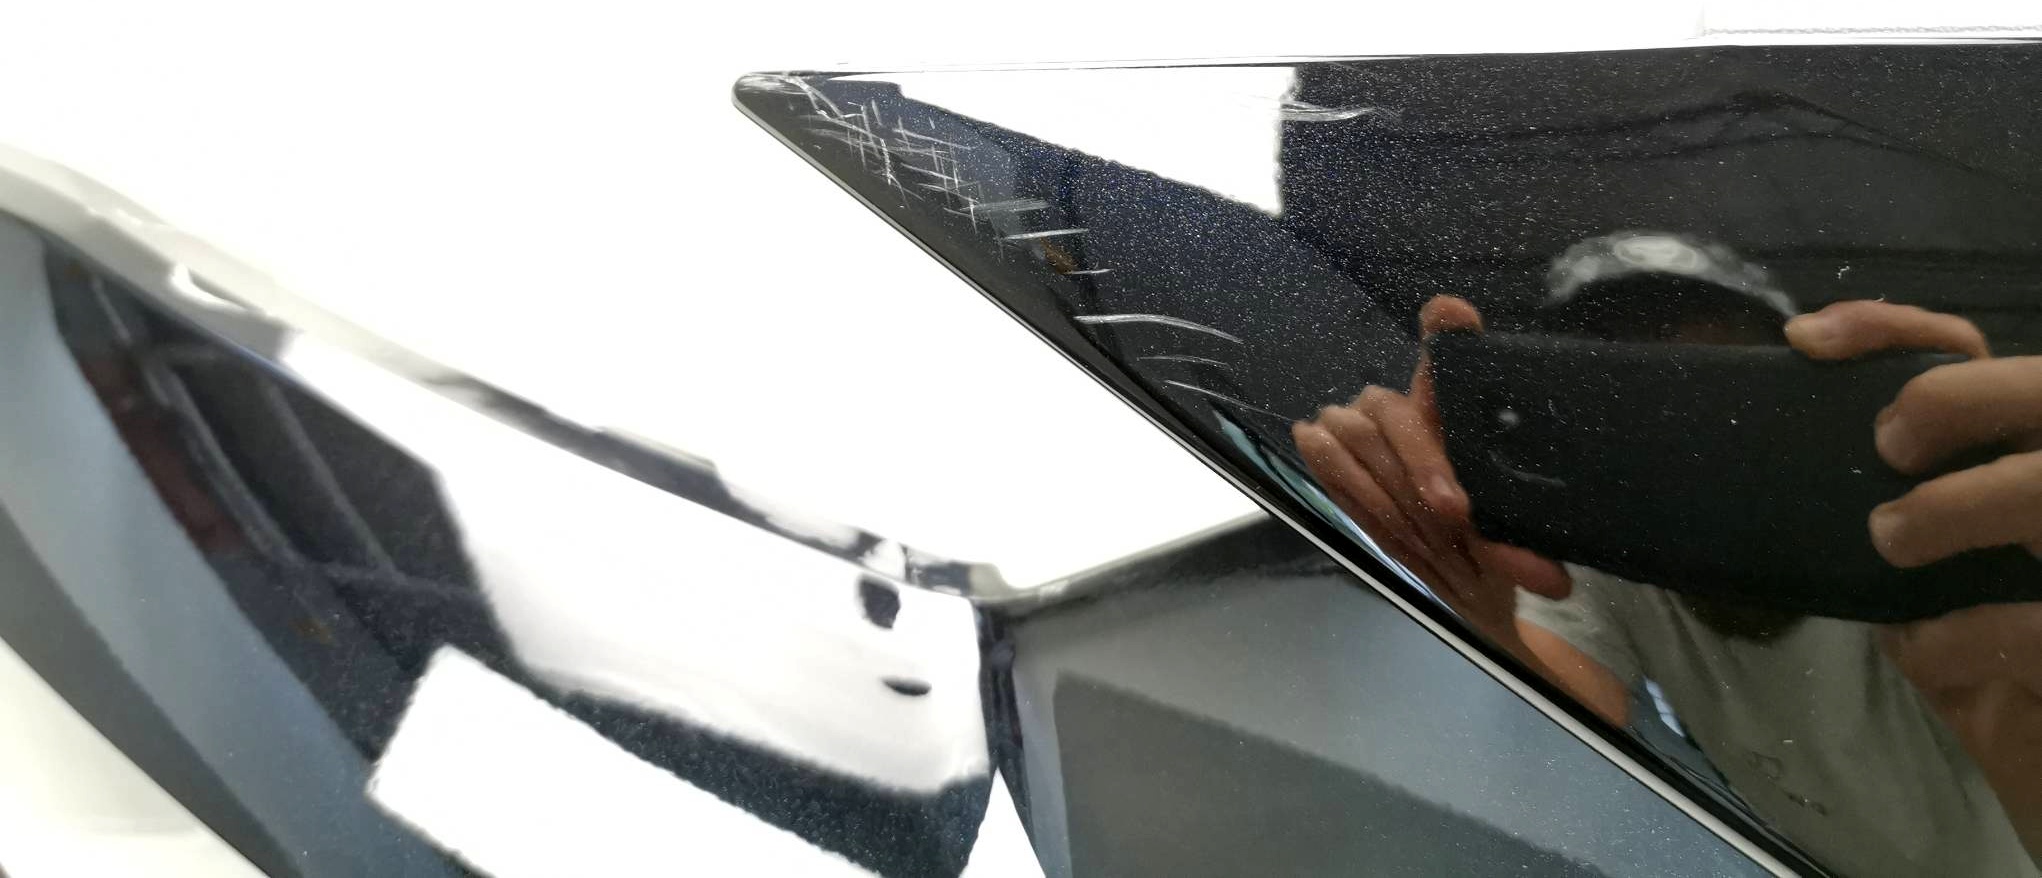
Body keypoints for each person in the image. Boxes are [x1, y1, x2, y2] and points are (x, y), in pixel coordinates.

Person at [1295, 278, 2042, 875]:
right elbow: (1580, 702)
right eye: (1636, 404)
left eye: (1724, 400)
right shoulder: (1611, 560)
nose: (1695, 461)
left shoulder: (1933, 543)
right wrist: (1475, 596)